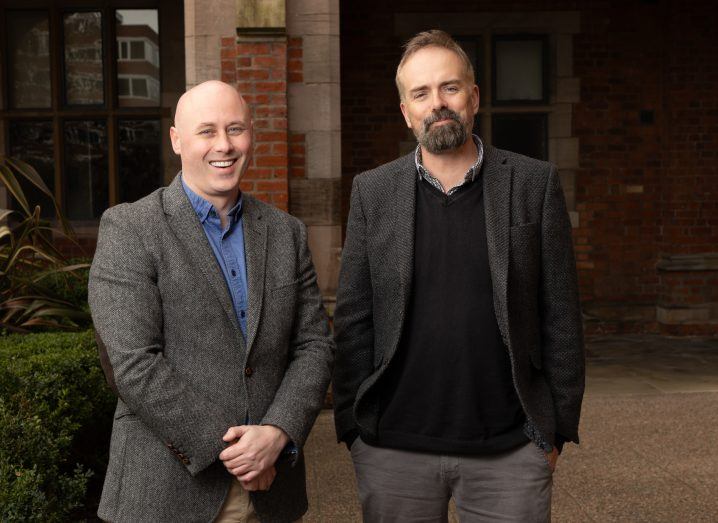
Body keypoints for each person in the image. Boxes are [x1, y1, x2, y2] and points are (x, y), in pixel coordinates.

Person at [332, 30, 584, 522]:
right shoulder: (373, 192)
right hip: (394, 449)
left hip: (512, 447)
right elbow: (354, 318)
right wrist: (353, 427)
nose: (437, 104)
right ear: (405, 111)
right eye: (420, 93)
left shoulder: (534, 184)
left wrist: (554, 429)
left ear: (474, 96)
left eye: (449, 87)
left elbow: (561, 315)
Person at [89, 80, 333, 522]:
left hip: (270, 492)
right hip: (167, 492)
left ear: (251, 135)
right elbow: (133, 364)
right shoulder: (131, 229)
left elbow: (314, 346)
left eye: (235, 129)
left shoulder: (285, 233)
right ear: (177, 140)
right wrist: (239, 453)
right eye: (207, 131)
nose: (224, 144)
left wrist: (278, 433)